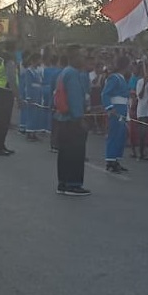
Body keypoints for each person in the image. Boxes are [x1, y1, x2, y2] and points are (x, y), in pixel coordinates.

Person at [53, 47, 91, 196]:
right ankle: (73, 184)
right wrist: (80, 119)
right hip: (72, 120)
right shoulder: (73, 74)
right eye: (82, 56)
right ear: (74, 58)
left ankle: (63, 183)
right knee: (75, 153)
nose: (84, 59)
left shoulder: (64, 72)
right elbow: (75, 99)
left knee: (64, 153)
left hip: (62, 118)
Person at [102, 56, 131, 174]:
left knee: (121, 135)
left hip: (123, 108)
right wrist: (109, 107)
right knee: (114, 134)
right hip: (116, 109)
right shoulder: (114, 78)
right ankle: (110, 160)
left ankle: (116, 159)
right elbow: (105, 94)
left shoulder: (122, 78)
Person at [0, 44, 18, 156]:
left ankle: (0, 145)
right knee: (3, 122)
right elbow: (11, 79)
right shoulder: (9, 61)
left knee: (0, 122)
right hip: (5, 92)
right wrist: (17, 96)